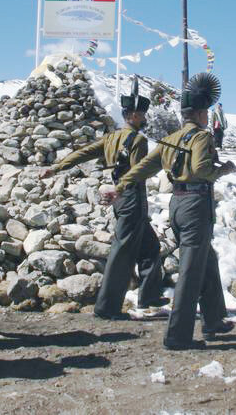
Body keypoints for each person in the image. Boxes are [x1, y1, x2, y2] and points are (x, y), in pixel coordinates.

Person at [107, 73, 236, 350]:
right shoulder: (202, 137)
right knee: (190, 270)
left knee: (206, 259)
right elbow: (202, 170)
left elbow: (144, 167)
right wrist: (223, 169)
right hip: (196, 205)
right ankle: (177, 336)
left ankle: (214, 320)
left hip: (176, 206)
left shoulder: (171, 138)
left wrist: (122, 185)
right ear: (202, 113)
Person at [41, 78, 166, 318]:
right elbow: (138, 171)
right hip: (132, 197)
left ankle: (149, 298)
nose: (143, 118)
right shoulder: (138, 140)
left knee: (150, 247)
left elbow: (82, 154)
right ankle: (107, 308)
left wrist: (57, 168)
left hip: (119, 198)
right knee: (123, 253)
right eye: (141, 115)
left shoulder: (111, 138)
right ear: (132, 116)